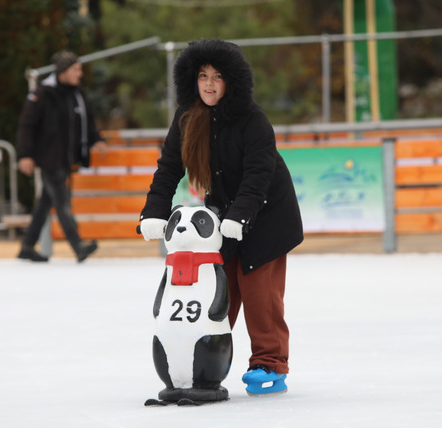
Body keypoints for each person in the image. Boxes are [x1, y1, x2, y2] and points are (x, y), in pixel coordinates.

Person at [138, 39, 304, 395]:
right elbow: (168, 169)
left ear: (232, 82)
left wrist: (241, 216)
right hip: (223, 217)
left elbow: (259, 174)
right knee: (216, 292)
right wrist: (153, 212)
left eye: (217, 76)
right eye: (202, 76)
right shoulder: (186, 118)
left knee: (260, 295)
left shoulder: (252, 119)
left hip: (267, 215)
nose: (209, 84)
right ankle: (201, 361)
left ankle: (269, 364)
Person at [15, 50, 106, 263]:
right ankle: (78, 246)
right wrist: (25, 155)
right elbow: (26, 126)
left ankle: (27, 246)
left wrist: (97, 139)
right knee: (62, 202)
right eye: (75, 69)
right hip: (48, 158)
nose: (80, 74)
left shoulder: (75, 93)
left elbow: (87, 120)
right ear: (63, 71)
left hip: (65, 157)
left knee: (44, 204)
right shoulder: (43, 93)